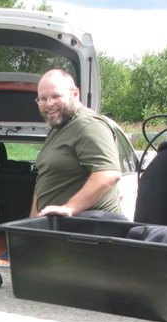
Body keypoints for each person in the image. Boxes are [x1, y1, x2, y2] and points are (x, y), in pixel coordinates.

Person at [30, 69, 123, 217]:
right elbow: (45, 179)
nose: (49, 104)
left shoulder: (88, 125)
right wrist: (32, 222)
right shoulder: (59, 128)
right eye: (43, 98)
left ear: (75, 94)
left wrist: (70, 207)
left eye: (56, 96)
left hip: (89, 227)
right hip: (59, 227)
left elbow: (108, 173)